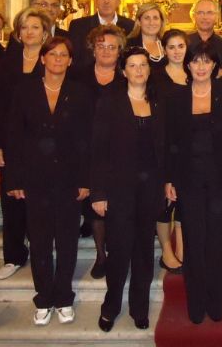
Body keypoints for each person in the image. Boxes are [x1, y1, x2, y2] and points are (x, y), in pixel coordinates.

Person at [6, 37, 92, 326]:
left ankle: (64, 296)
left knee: (67, 241)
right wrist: (14, 178)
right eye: (52, 54)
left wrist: (85, 179)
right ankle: (43, 297)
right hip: (34, 176)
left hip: (70, 177)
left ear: (70, 60)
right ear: (42, 58)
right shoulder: (24, 90)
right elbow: (14, 136)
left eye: (63, 55)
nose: (57, 59)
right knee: (40, 241)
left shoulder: (81, 92)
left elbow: (87, 139)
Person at [165, 40, 222, 324]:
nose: (201, 66)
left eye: (206, 61)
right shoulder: (176, 97)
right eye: (195, 61)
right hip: (188, 179)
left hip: (221, 178)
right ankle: (195, 304)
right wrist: (169, 179)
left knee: (216, 242)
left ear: (214, 66)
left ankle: (216, 301)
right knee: (194, 241)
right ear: (188, 65)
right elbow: (169, 141)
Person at [91, 47, 166, 332]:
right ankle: (111, 306)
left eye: (143, 65)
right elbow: (97, 150)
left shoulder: (159, 101)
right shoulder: (110, 101)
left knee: (144, 252)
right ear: (123, 71)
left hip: (150, 188)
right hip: (118, 187)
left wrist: (167, 183)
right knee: (120, 250)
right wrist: (98, 192)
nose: (138, 70)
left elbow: (166, 147)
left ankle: (140, 307)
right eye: (132, 65)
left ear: (149, 69)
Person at [0, 7, 52, 280]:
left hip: (45, 141)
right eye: (25, 28)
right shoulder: (9, 60)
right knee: (13, 196)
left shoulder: (54, 57)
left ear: (45, 32)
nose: (29, 32)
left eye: (35, 27)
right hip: (14, 138)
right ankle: (13, 255)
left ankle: (42, 249)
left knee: (42, 196)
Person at [70, 24, 127, 278]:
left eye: (112, 47)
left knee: (117, 203)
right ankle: (101, 255)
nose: (106, 51)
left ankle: (116, 252)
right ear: (93, 48)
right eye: (101, 46)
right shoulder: (78, 76)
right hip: (85, 148)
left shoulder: (127, 76)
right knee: (95, 205)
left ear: (119, 51)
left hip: (120, 150)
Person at [152, 29, 189, 273]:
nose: (177, 51)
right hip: (163, 145)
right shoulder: (155, 77)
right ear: (164, 50)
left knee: (186, 202)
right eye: (172, 47)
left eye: (181, 46)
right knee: (164, 203)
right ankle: (166, 250)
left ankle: (184, 249)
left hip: (189, 147)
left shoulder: (195, 72)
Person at [68, 0, 135, 68]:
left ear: (118, 1)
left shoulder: (131, 26)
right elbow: (74, 60)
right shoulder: (78, 26)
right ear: (96, 0)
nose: (106, 1)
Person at [187, 0, 222, 72]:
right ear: (194, 16)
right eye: (200, 13)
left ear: (216, 16)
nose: (205, 17)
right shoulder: (184, 43)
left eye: (209, 13)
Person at [126, 2, 167, 70]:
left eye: (155, 18)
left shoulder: (167, 44)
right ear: (139, 22)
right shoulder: (128, 46)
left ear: (161, 21)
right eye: (147, 18)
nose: (151, 22)